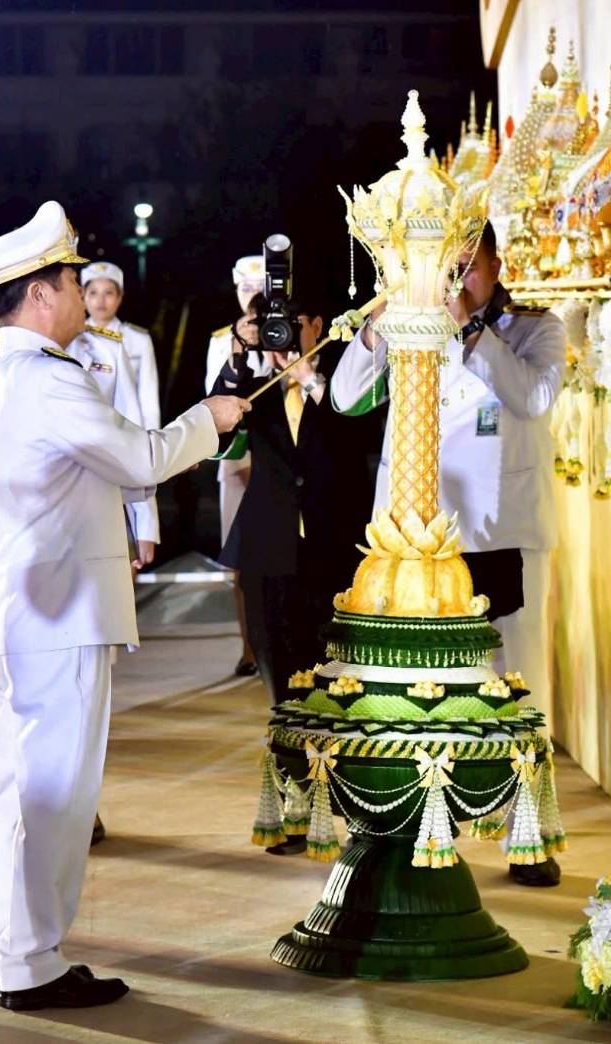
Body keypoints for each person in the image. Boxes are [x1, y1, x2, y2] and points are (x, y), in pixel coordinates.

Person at [0, 200, 248, 1010]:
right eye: (67, 279)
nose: (77, 292)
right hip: (60, 615)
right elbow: (139, 459)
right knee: (56, 794)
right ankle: (34, 962)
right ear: (43, 294)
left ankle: (5, 947)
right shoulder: (47, 381)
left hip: (30, 610)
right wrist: (211, 419)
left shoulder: (0, 371)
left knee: (22, 789)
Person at [331, 220, 565, 887]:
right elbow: (347, 395)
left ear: (496, 264)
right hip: (416, 538)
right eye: (445, 266)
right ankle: (417, 828)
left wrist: (466, 325)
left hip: (497, 533)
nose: (456, 278)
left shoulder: (532, 328)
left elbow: (535, 396)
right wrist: (382, 317)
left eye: (469, 264)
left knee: (515, 689)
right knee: (414, 690)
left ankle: (530, 835)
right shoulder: (409, 321)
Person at [212, 294, 382, 856]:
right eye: (271, 326)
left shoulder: (348, 384)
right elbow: (216, 433)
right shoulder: (251, 391)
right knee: (281, 685)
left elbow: (360, 436)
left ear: (317, 324)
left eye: (294, 322)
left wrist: (309, 377)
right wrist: (239, 353)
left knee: (333, 680)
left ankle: (346, 801)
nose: (283, 334)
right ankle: (292, 807)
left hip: (333, 553)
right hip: (269, 553)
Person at [80, 261, 161, 568]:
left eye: (108, 293)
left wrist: (151, 441)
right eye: (94, 293)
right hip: (90, 442)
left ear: (120, 297)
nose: (101, 300)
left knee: (136, 530)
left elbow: (147, 397)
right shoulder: (73, 339)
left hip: (129, 438)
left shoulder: (137, 340)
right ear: (83, 297)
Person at [205, 254, 264, 676]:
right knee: (241, 561)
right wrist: (238, 350)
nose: (252, 297)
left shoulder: (288, 332)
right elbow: (211, 402)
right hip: (238, 463)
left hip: (276, 459)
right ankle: (248, 648)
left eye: (259, 289)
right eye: (245, 289)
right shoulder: (221, 339)